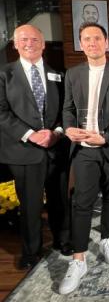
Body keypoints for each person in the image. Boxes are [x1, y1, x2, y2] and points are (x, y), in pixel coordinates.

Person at [59, 22, 109, 295]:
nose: (91, 43)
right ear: (81, 44)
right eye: (86, 39)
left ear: (106, 43)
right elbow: (67, 108)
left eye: (96, 38)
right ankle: (78, 260)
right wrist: (68, 129)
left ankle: (106, 238)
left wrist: (105, 136)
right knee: (82, 200)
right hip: (84, 149)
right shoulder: (73, 74)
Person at [0, 25, 72, 270]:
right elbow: (1, 113)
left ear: (43, 44)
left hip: (56, 147)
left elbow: (67, 110)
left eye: (34, 39)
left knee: (59, 198)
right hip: (24, 150)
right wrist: (31, 135)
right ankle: (31, 251)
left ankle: (63, 240)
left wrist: (57, 133)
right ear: (15, 45)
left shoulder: (59, 74)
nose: (29, 43)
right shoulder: (4, 75)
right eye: (23, 39)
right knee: (30, 204)